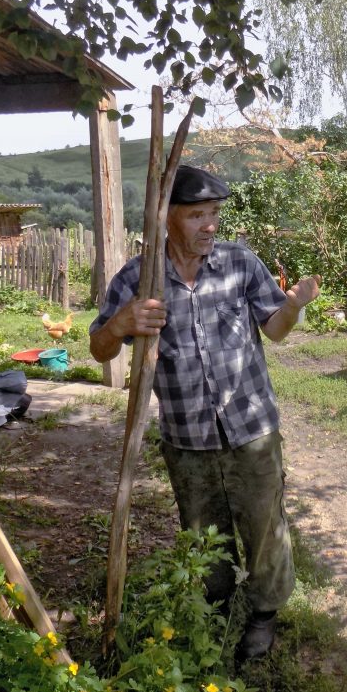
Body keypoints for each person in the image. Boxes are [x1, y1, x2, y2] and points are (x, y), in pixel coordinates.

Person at [89, 165, 321, 662]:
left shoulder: (239, 263)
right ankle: (214, 607)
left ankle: (263, 615)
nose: (210, 225)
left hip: (251, 428)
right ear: (166, 218)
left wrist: (295, 306)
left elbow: (275, 329)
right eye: (197, 215)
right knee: (202, 534)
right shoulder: (137, 277)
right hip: (187, 435)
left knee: (263, 528)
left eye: (214, 214)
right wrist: (123, 322)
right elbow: (99, 349)